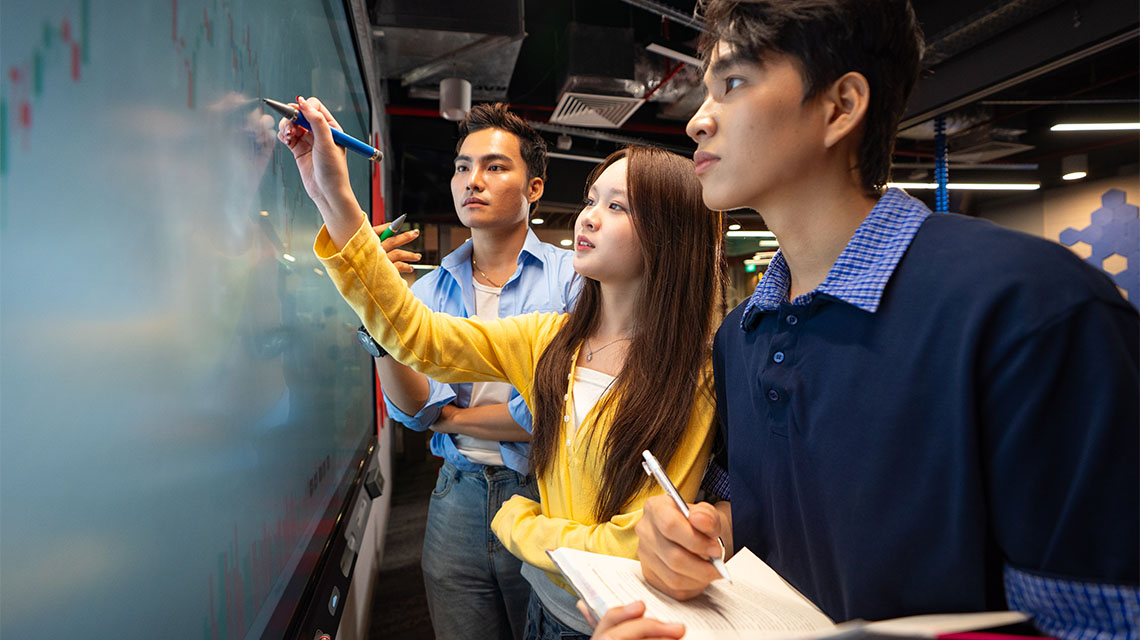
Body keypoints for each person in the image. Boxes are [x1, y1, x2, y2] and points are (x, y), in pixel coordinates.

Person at [600, 0, 1140, 639]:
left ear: (840, 106)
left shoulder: (1029, 308)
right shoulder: (742, 333)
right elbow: (751, 516)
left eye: (733, 84)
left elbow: (1102, 622)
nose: (697, 120)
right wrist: (694, 539)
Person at [276, 97, 725, 640]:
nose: (587, 216)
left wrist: (519, 521)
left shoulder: (690, 375)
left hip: (612, 616)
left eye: (618, 206)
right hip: (535, 587)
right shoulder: (549, 340)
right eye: (590, 200)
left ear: (668, 235)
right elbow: (417, 338)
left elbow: (635, 540)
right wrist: (332, 193)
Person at [356, 103, 576, 640]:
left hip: (546, 495)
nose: (471, 181)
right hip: (454, 499)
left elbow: (550, 414)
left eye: (496, 166)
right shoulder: (429, 290)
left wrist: (450, 419)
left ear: (535, 187)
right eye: (461, 166)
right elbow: (413, 410)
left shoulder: (574, 281)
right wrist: (377, 318)